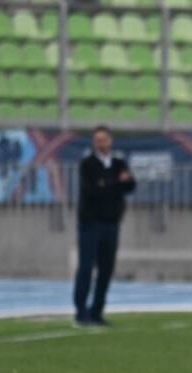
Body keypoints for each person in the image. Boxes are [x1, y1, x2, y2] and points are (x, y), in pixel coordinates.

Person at [73, 125, 136, 326]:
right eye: (96, 140)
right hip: (91, 223)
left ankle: (97, 311)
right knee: (86, 268)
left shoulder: (118, 163)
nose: (100, 143)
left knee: (106, 269)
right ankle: (81, 311)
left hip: (111, 223)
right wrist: (114, 184)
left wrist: (109, 183)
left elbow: (130, 185)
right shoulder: (87, 164)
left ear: (110, 141)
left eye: (103, 139)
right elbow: (93, 190)